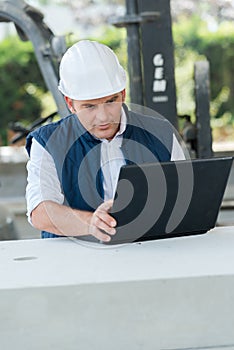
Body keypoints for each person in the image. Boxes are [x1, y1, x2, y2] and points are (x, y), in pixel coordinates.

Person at [25, 40, 186, 243]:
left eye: (110, 101)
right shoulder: (47, 142)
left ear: (123, 94)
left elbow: (185, 200)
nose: (103, 117)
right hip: (72, 262)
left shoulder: (161, 133)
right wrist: (91, 223)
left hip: (149, 253)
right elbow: (40, 212)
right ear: (70, 103)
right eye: (89, 106)